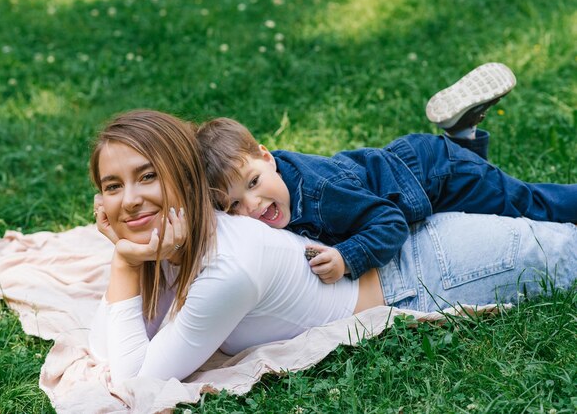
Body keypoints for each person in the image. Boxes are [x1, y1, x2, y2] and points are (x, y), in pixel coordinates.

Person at [87, 109, 577, 384]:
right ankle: (464, 142)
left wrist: (123, 264)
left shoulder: (226, 265)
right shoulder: (178, 233)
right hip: (395, 236)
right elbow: (108, 339)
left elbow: (134, 383)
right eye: (112, 186)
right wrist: (130, 260)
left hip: (426, 271)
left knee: (549, 225)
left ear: (184, 180)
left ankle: (463, 147)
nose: (129, 201)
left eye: (147, 177)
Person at [196, 63, 577, 284]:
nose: (252, 205)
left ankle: (462, 143)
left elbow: (389, 220)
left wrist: (348, 257)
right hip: (415, 164)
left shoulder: (321, 193)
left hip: (437, 175)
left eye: (253, 183)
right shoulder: (280, 185)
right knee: (483, 190)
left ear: (267, 156)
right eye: (232, 205)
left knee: (524, 203)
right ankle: (461, 132)